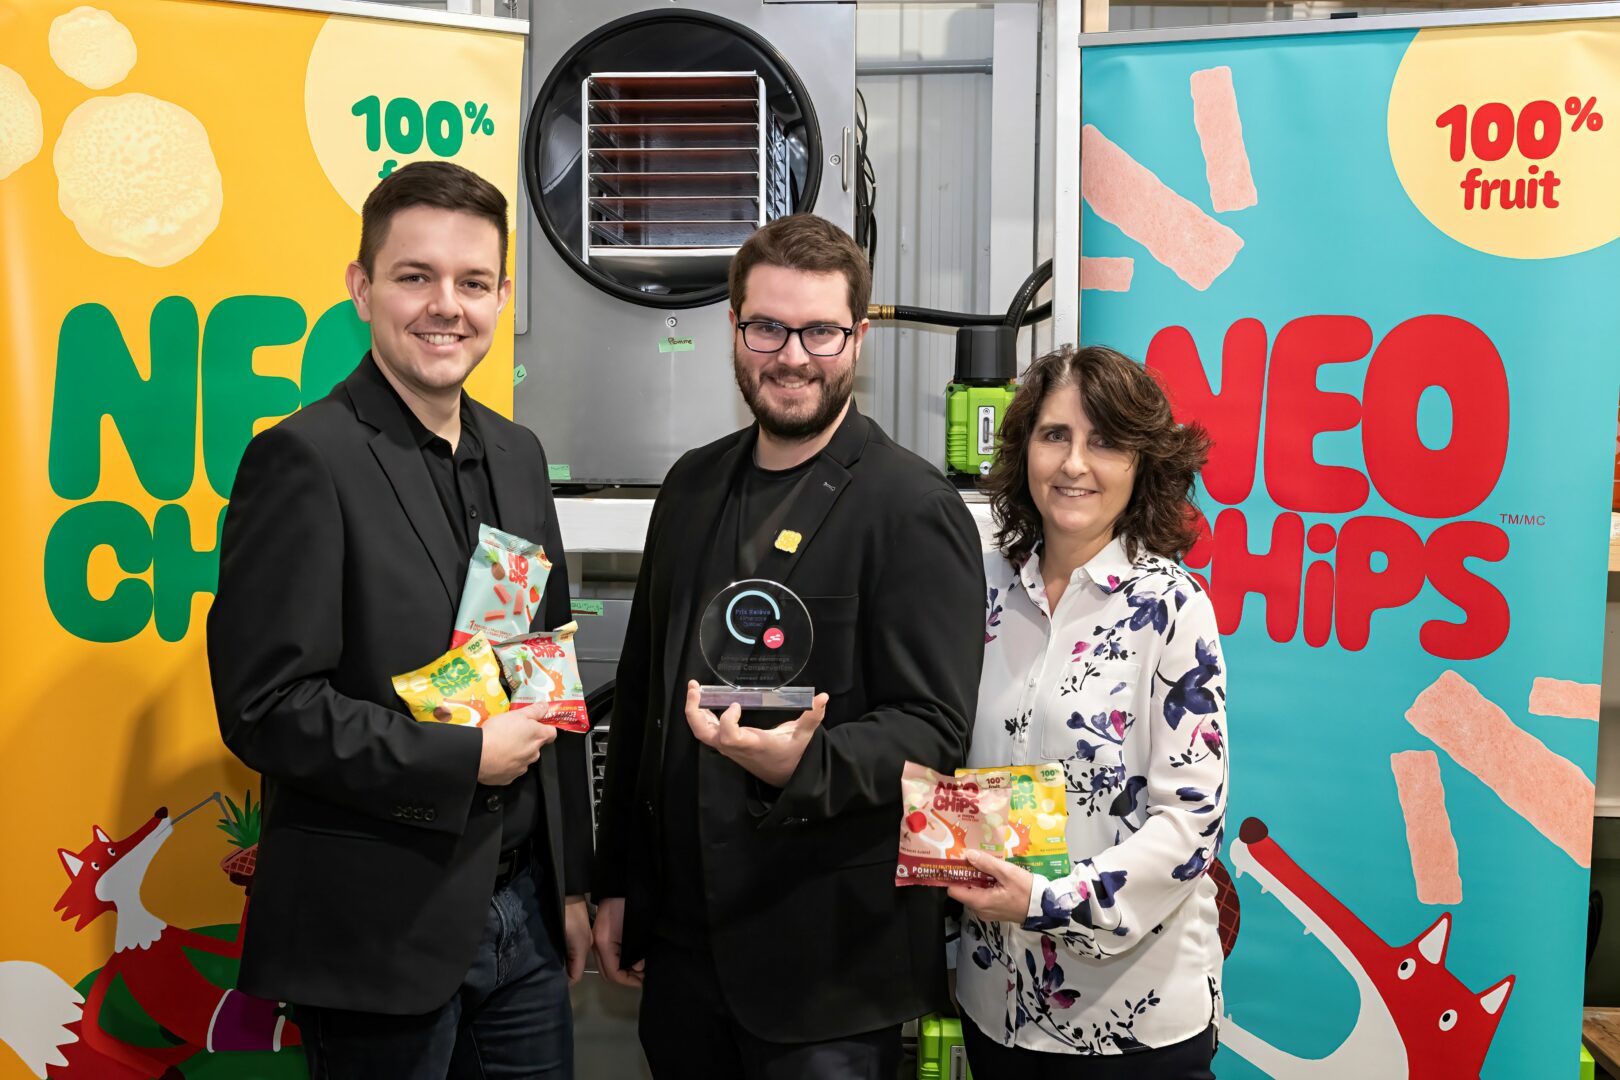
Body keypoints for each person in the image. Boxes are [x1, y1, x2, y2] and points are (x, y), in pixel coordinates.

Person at [209, 161, 592, 1079]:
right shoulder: (302, 459)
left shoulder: (518, 453)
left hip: (528, 928)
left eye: (472, 282)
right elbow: (266, 707)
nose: (444, 306)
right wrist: (464, 759)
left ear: (503, 296)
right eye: (414, 276)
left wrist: (576, 885)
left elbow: (548, 670)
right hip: (377, 935)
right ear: (361, 287)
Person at [590, 213, 985, 1078]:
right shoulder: (692, 485)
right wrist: (617, 881)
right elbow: (645, 695)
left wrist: (799, 765)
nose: (793, 355)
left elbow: (932, 730)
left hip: (828, 975)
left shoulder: (911, 508)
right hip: (684, 959)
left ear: (859, 337)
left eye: (820, 331)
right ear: (734, 328)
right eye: (767, 327)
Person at [948, 345, 1227, 1079]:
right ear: (1024, 451)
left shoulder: (1172, 606)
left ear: (1142, 464)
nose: (1075, 464)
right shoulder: (981, 593)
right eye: (1055, 436)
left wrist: (1048, 899)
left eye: (1104, 442)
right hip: (994, 1003)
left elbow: (1189, 825)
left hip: (1130, 1024)